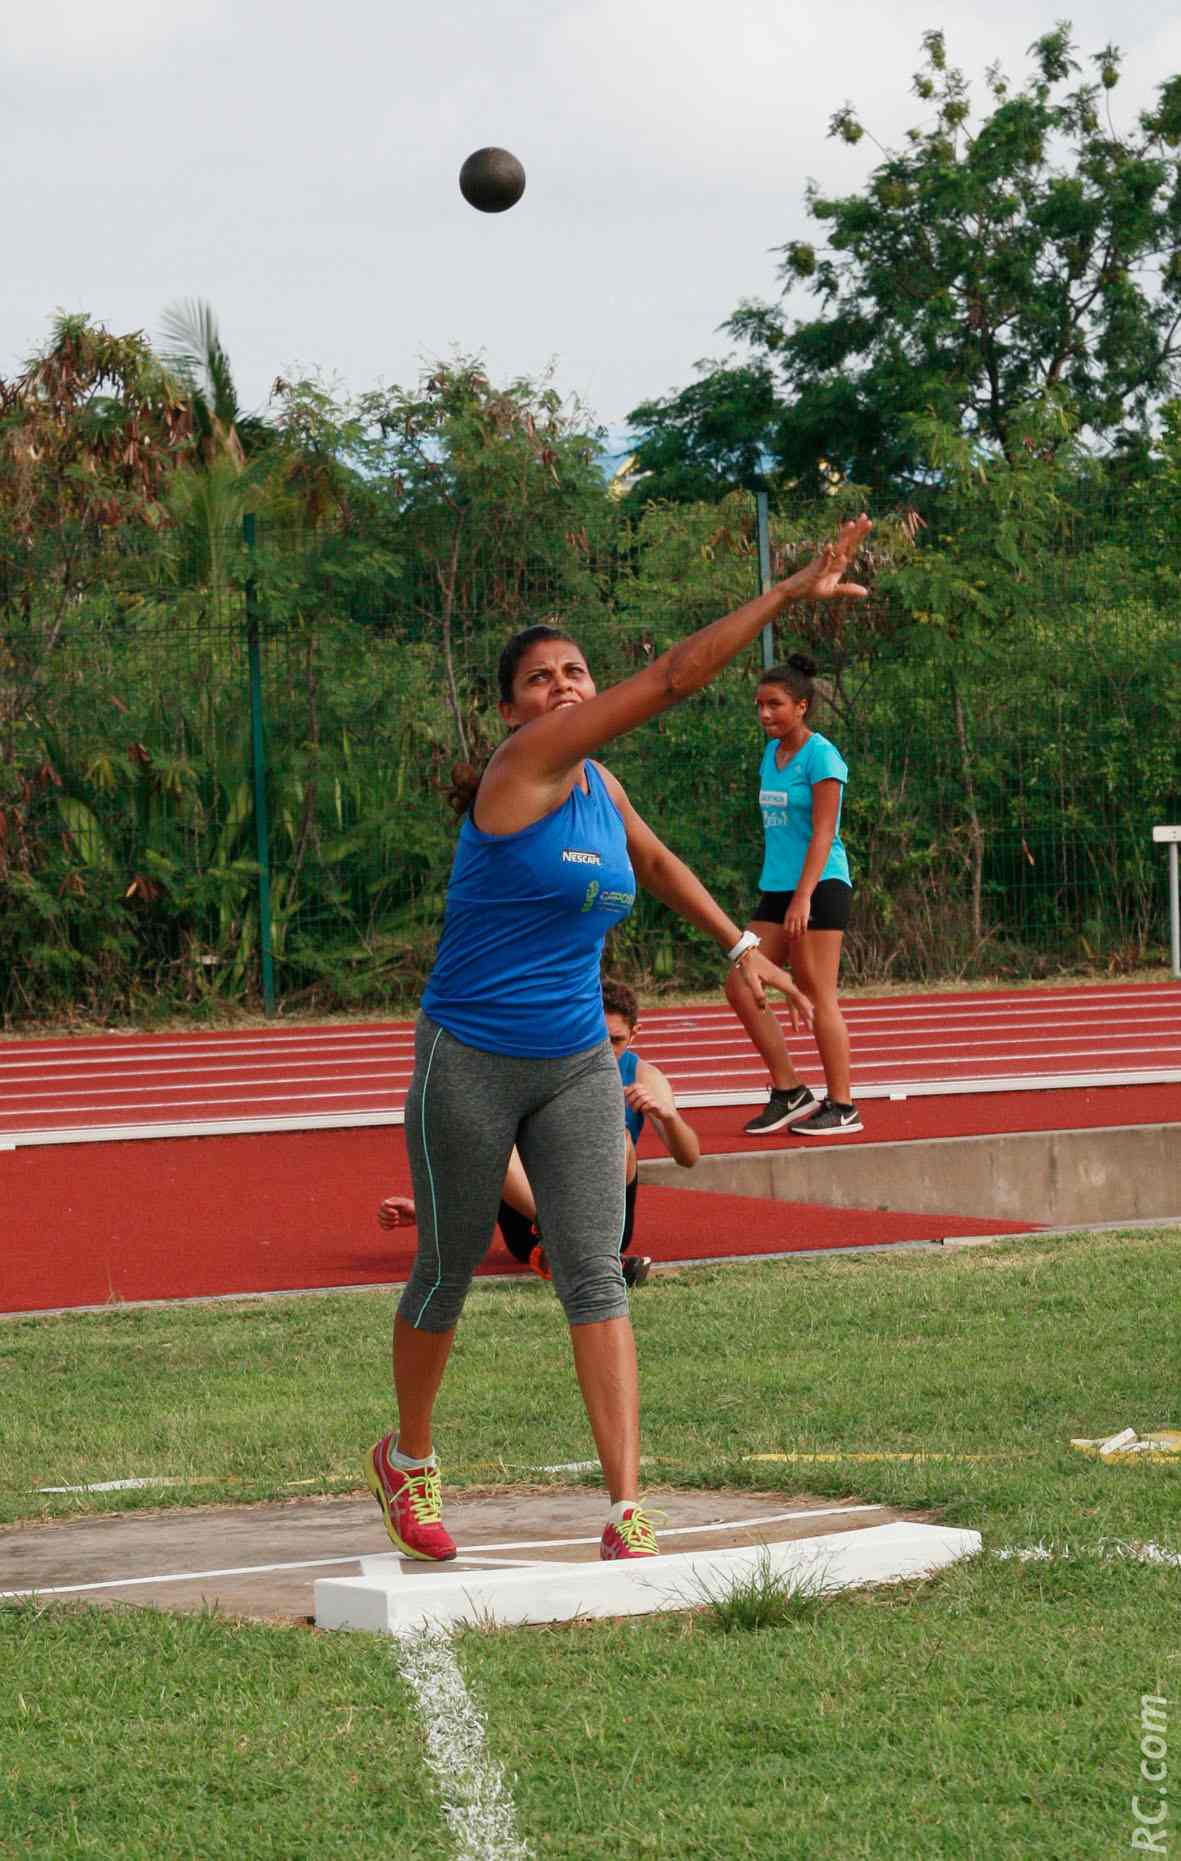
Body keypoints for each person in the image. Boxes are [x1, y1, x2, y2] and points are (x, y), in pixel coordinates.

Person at [363, 515, 870, 1567]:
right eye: (539, 677)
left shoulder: (600, 786)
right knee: (445, 1270)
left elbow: (656, 862)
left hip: (575, 1064)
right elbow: (675, 676)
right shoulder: (524, 766)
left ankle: (627, 1506)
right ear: (511, 710)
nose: (562, 686)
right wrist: (782, 596)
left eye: (575, 671)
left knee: (592, 1271)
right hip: (469, 1056)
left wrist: (740, 943)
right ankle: (407, 1458)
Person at [377, 977, 700, 1288]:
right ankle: (564, 1238)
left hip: (601, 1222)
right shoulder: (540, 1066)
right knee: (495, 1140)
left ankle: (575, 1246)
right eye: (596, 1037)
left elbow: (688, 1158)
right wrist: (434, 1211)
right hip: (529, 1222)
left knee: (619, 1137)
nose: (603, 1049)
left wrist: (668, 1116)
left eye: (614, 1040)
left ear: (634, 1034)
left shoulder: (644, 1076)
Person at [726, 652, 861, 1136]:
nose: (765, 714)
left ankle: (843, 1105)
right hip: (778, 887)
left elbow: (824, 834)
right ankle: (789, 1090)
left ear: (801, 706)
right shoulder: (771, 754)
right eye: (760, 706)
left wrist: (803, 897)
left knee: (817, 992)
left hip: (820, 886)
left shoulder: (822, 756)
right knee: (740, 982)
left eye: (775, 705)